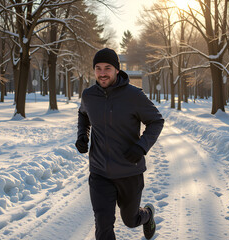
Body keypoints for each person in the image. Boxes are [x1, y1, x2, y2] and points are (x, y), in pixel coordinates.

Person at [76, 48, 164, 240]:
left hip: (129, 172)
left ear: (117, 70)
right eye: (98, 68)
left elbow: (156, 121)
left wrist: (141, 147)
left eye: (107, 68)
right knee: (103, 224)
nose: (102, 73)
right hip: (99, 172)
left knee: (130, 220)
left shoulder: (134, 96)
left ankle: (147, 215)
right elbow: (83, 115)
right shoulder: (89, 96)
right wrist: (83, 134)